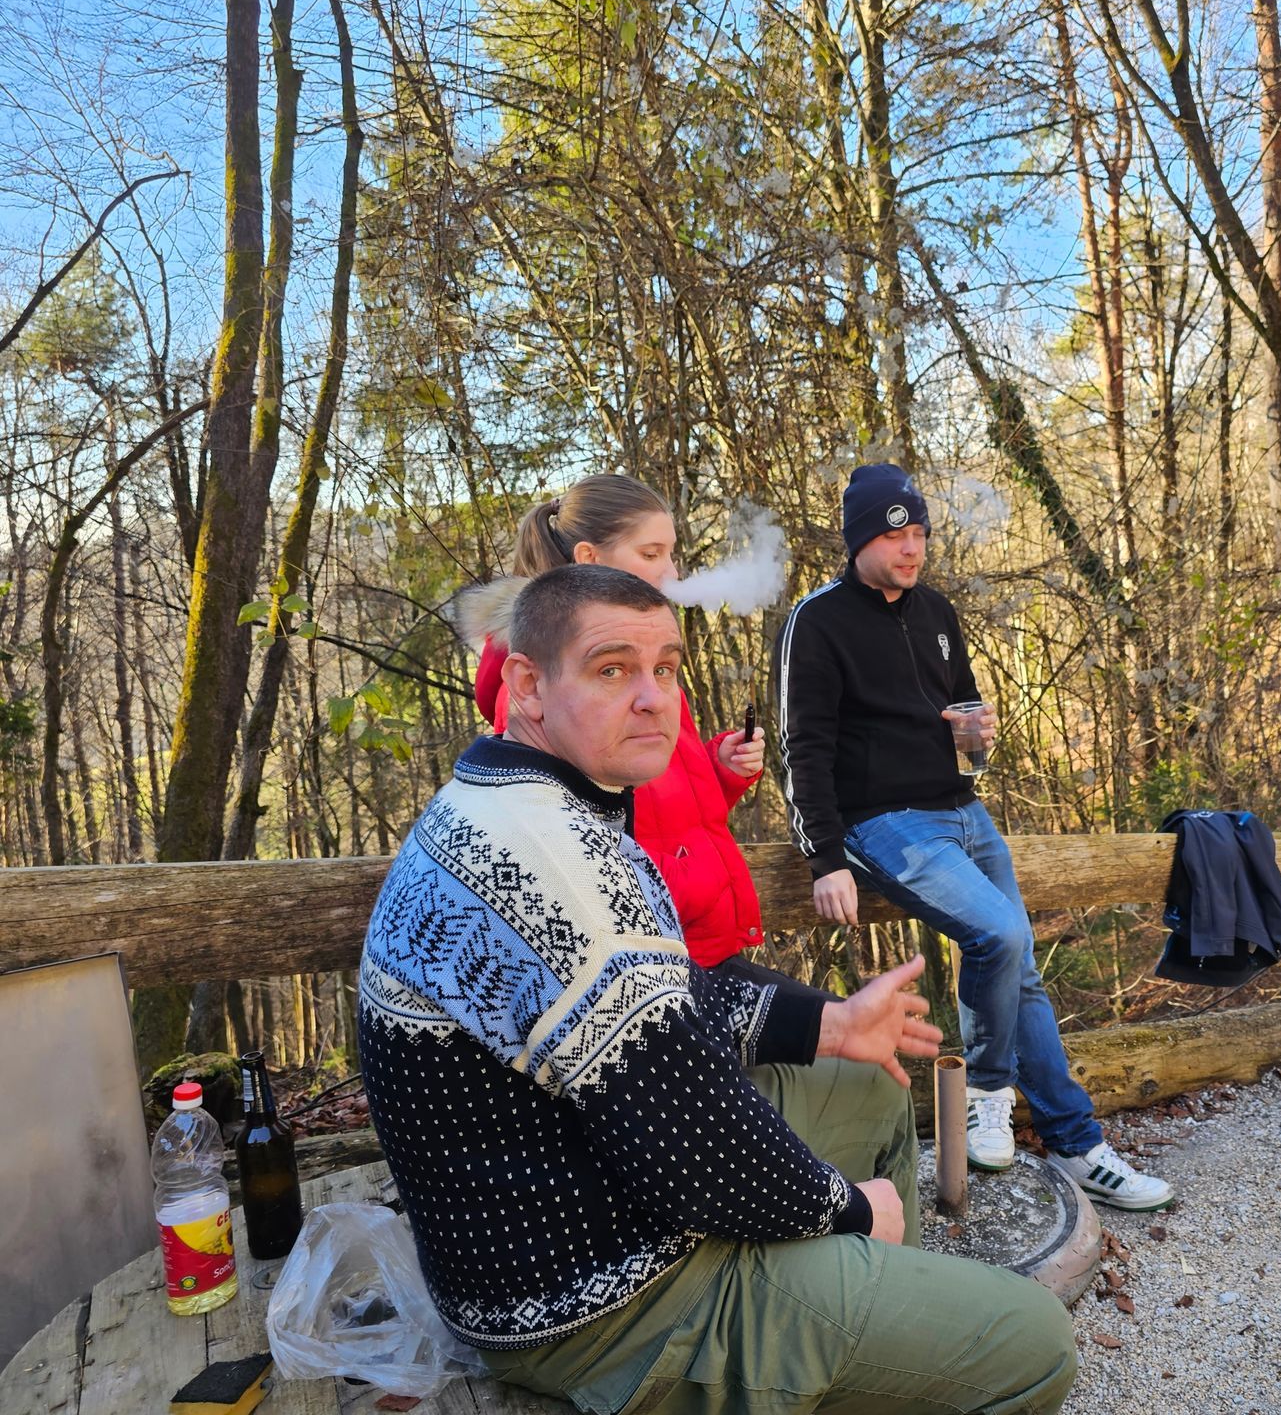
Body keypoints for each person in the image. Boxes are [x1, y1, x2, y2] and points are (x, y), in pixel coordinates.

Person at [362, 563, 1078, 1414]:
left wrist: (832, 1025)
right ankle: (865, 1339)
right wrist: (851, 1211)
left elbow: (668, 1004)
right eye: (611, 669)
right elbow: (692, 1147)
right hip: (593, 1300)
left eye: (665, 669)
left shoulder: (519, 800)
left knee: (870, 1089)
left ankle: (875, 1345)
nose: (653, 699)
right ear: (526, 685)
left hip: (583, 1196)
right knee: (1037, 1345)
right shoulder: (553, 860)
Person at [777, 463, 1173, 1211]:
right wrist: (824, 857)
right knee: (1001, 935)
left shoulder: (936, 610)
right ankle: (989, 1093)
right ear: (859, 539)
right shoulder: (817, 620)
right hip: (883, 824)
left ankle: (1078, 1145)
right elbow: (804, 748)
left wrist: (977, 737)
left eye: (920, 533)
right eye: (894, 534)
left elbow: (963, 710)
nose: (911, 547)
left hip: (962, 808)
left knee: (1019, 967)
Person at [458, 474, 767, 973]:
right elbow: (565, 840)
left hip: (695, 938)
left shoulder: (646, 667)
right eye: (651, 554)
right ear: (589, 559)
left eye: (670, 554)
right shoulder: (543, 688)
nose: (671, 572)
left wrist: (721, 770)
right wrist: (677, 885)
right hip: (639, 953)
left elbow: (669, 806)